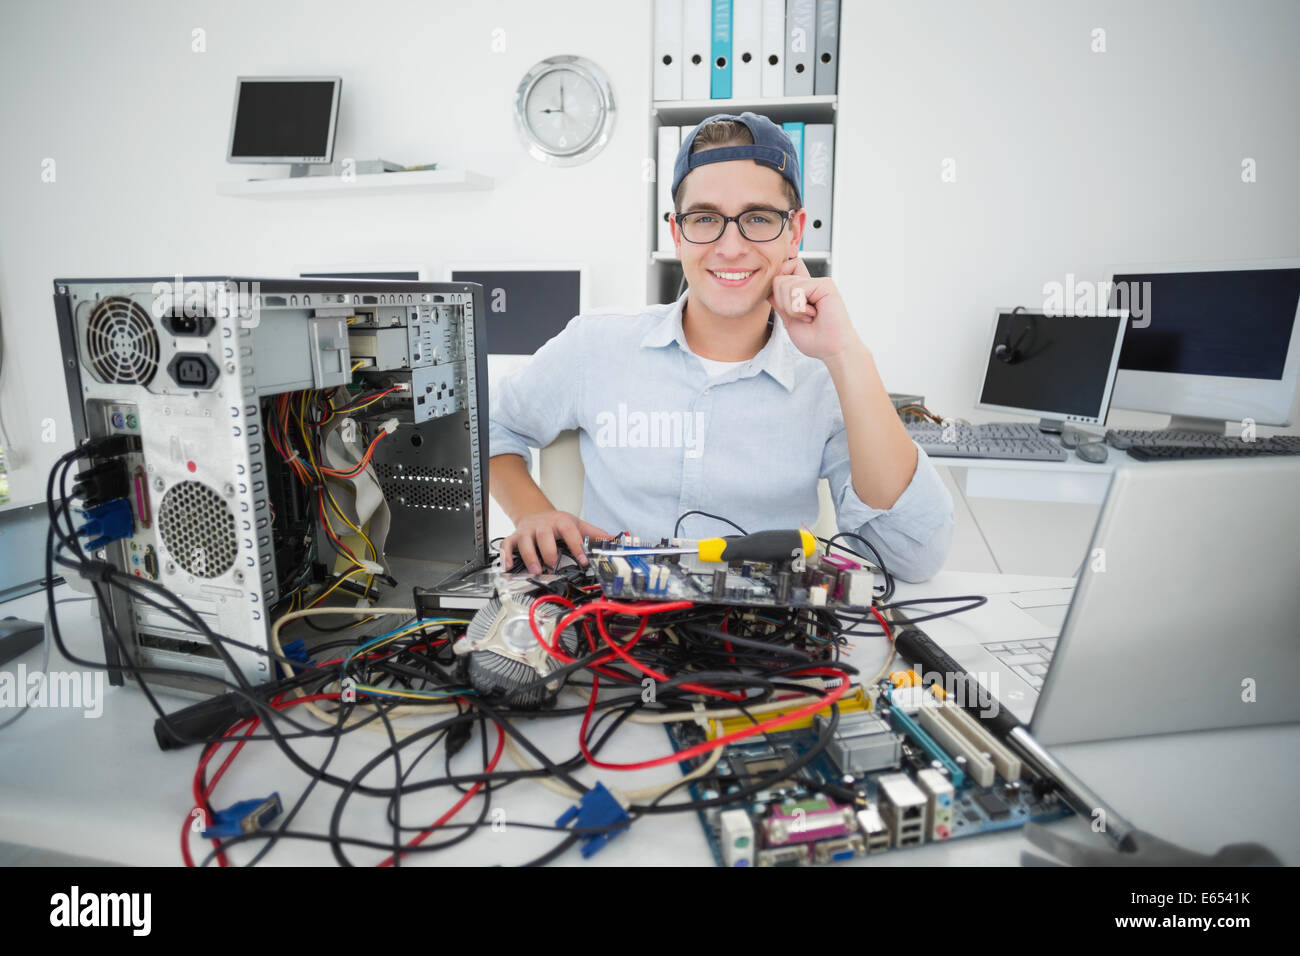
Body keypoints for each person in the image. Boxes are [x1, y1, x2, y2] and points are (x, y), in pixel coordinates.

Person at [489, 111, 953, 582]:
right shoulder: (596, 345)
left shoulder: (827, 377)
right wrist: (532, 513)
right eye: (706, 218)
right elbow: (492, 425)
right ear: (676, 233)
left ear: (794, 232)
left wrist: (846, 354)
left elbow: (909, 559)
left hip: (769, 639)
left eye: (758, 218)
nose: (731, 247)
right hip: (612, 627)